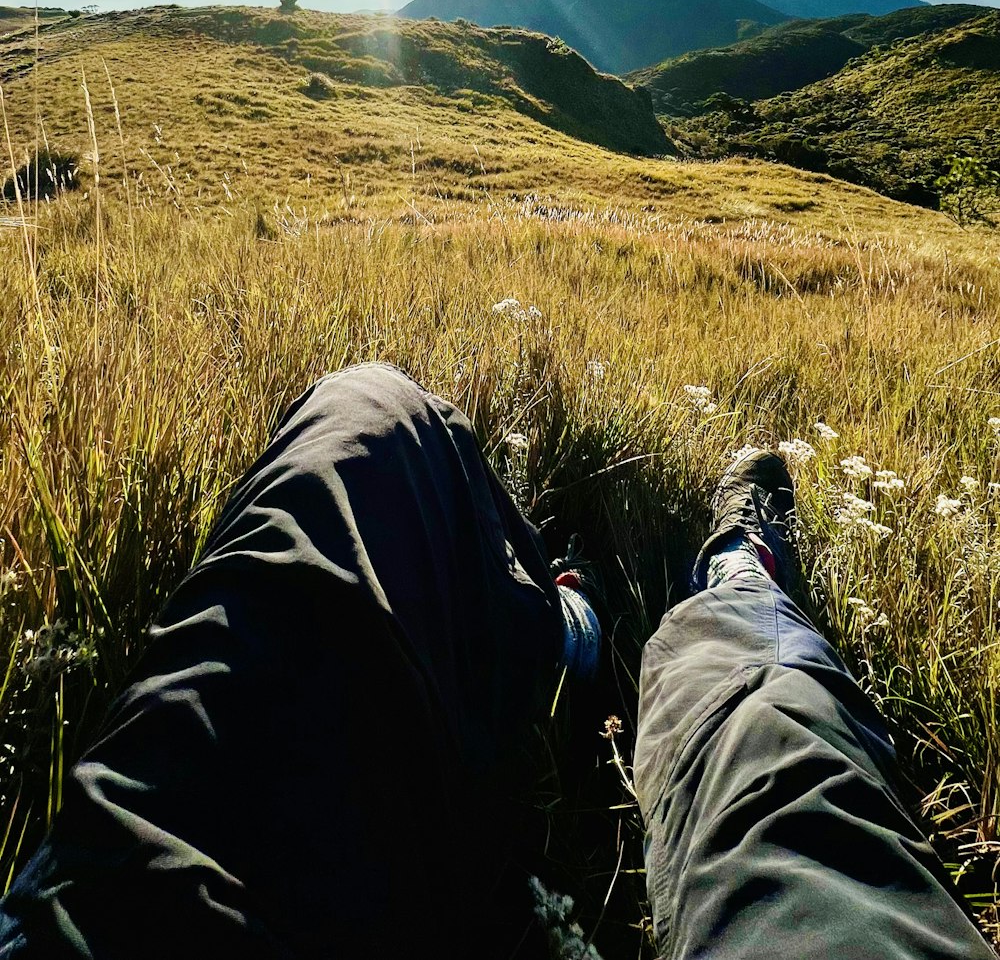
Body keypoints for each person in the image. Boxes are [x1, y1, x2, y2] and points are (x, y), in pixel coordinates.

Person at [0, 364, 991, 959]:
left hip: (139, 898)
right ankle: (731, 569)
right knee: (766, 730)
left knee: (364, 409)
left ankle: (561, 621)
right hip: (168, 891)